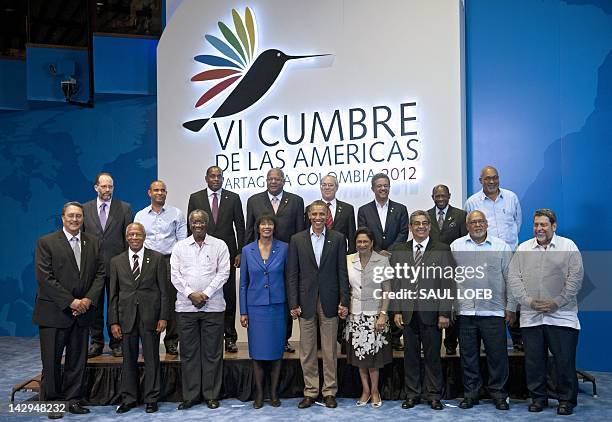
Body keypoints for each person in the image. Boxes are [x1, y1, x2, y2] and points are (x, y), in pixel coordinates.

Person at [33, 202, 105, 419]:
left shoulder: (93, 242)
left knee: (77, 360)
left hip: (83, 312)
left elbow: (100, 274)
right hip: (54, 313)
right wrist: (71, 302)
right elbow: (45, 278)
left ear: (83, 219)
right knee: (52, 361)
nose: (75, 220)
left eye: (79, 216)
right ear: (62, 218)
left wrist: (87, 300)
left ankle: (73, 399)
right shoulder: (46, 242)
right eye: (71, 216)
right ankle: (53, 403)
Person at [508, 209, 583, 416]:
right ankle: (538, 398)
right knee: (534, 361)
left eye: (543, 225)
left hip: (562, 316)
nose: (539, 229)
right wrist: (528, 301)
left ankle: (566, 400)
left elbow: (575, 279)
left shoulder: (568, 247)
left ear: (554, 226)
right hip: (531, 317)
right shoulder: (523, 248)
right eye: (536, 225)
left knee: (563, 361)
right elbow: (514, 279)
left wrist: (556, 303)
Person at [287, 200, 350, 409]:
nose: (318, 217)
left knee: (330, 349)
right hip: (304, 302)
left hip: (330, 300)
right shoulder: (297, 240)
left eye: (321, 214)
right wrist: (293, 302)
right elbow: (292, 274)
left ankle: (330, 391)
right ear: (308, 216)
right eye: (314, 214)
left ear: (327, 216)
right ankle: (311, 391)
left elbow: (342, 271)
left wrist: (344, 300)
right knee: (307, 349)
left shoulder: (338, 239)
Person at [450, 210, 515, 410]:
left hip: (493, 311)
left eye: (481, 222)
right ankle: (471, 393)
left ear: (487, 224)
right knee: (468, 356)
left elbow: (511, 278)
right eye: (473, 222)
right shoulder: (456, 246)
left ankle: (499, 394)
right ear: (467, 225)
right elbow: (450, 278)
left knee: (497, 356)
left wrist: (511, 307)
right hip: (466, 311)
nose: (477, 225)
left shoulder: (501, 247)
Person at [391, 210, 454, 411]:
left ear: (429, 226)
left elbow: (448, 283)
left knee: (433, 356)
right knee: (410, 356)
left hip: (433, 313)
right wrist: (397, 311)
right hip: (408, 313)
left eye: (424, 223)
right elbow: (395, 284)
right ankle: (412, 394)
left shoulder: (442, 249)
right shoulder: (399, 249)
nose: (420, 226)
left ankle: (434, 395)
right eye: (416, 223)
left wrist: (444, 313)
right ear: (410, 227)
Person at [171, 210, 230, 410]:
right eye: (195, 222)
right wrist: (191, 294)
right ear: (190, 224)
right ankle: (191, 395)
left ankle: (211, 394)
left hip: (213, 306)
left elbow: (224, 273)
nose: (198, 225)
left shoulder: (219, 245)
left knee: (212, 353)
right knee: (189, 353)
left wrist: (205, 294)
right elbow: (175, 275)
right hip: (186, 308)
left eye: (202, 222)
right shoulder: (179, 247)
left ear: (207, 224)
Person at [109, 223, 168, 413]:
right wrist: (113, 321)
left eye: (138, 234)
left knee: (152, 359)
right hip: (126, 318)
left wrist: (163, 317)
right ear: (126, 237)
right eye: (131, 234)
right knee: (128, 360)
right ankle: (129, 398)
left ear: (144, 237)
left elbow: (164, 292)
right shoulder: (116, 261)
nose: (134, 237)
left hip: (150, 317)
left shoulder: (157, 258)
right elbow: (113, 295)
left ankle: (151, 398)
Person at [246, 167, 305, 352]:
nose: (273, 182)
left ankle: (284, 338)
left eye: (277, 179)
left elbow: (299, 230)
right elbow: (249, 228)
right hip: (261, 255)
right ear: (266, 180)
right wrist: (243, 252)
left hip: (287, 256)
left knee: (286, 295)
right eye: (270, 179)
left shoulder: (296, 201)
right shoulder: (254, 200)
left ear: (283, 181)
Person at [464, 165, 523, 351]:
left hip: (510, 254)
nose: (491, 181)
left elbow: (517, 223)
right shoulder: (472, 202)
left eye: (495, 177)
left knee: (514, 295)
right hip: (483, 257)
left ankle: (518, 339)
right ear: (480, 181)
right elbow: (471, 227)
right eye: (487, 178)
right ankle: (484, 341)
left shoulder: (511, 198)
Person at [187, 166, 245, 353]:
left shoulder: (233, 197)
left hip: (226, 254)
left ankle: (230, 337)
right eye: (212, 176)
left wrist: (239, 252)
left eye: (219, 176)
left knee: (228, 295)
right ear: (206, 178)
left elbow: (240, 227)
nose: (216, 179)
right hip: (202, 254)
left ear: (223, 178)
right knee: (205, 293)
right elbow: (191, 228)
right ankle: (208, 337)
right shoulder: (195, 197)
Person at [239, 214, 288, 409]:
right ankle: (259, 394)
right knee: (258, 354)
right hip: (256, 309)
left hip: (277, 308)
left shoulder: (284, 248)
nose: (266, 227)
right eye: (263, 224)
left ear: (274, 227)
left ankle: (274, 394)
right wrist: (243, 311)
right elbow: (243, 284)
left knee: (276, 353)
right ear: (258, 228)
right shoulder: (247, 250)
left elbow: (289, 277)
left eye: (270, 224)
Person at [82, 172, 133, 358]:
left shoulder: (124, 208)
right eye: (103, 186)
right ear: (96, 187)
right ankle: (96, 343)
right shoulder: (85, 209)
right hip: (92, 267)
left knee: (116, 304)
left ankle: (116, 342)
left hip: (116, 265)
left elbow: (129, 238)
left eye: (110, 186)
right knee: (94, 305)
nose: (107, 190)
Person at [134, 180, 186, 356]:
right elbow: (137, 241)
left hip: (169, 260)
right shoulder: (140, 216)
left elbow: (182, 240)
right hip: (147, 261)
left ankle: (171, 341)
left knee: (171, 301)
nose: (160, 193)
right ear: (149, 193)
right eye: (156, 190)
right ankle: (148, 341)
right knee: (149, 300)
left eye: (163, 190)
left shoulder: (176, 214)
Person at [357, 173, 408, 351]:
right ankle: (377, 332)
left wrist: (390, 251)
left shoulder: (400, 209)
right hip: (373, 259)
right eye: (379, 186)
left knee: (393, 295)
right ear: (373, 189)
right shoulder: (364, 210)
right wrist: (377, 251)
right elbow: (363, 232)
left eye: (386, 185)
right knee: (376, 296)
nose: (383, 188)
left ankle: (395, 336)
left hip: (394, 259)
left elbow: (403, 232)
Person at [345, 227, 392, 408]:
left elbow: (387, 290)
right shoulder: (348, 260)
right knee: (359, 357)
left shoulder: (382, 260)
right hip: (355, 315)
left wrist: (383, 315)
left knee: (374, 358)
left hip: (375, 315)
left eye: (365, 242)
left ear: (372, 243)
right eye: (359, 242)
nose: (362, 245)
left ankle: (374, 391)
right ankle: (365, 390)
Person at [428, 184, 468, 355]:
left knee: (452, 306)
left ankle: (451, 343)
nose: (441, 199)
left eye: (443, 195)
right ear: (433, 197)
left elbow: (465, 240)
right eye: (437, 196)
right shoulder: (427, 216)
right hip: (432, 269)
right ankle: (432, 343)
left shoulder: (460, 215)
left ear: (449, 196)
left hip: (454, 266)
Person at [307, 174, 356, 253]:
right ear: (320, 187)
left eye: (330, 185)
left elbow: (351, 236)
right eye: (324, 185)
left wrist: (350, 255)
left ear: (336, 188)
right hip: (317, 253)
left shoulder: (347, 209)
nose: (327, 187)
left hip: (340, 253)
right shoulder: (310, 209)